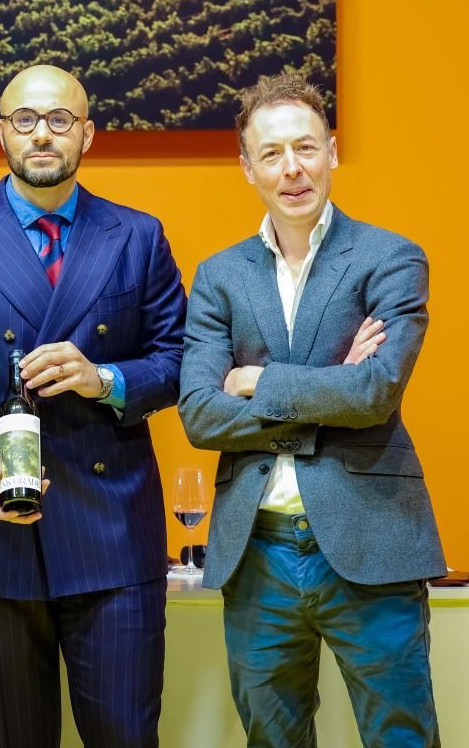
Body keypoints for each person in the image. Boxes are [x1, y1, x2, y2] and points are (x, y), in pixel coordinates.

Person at [0, 64, 187, 748]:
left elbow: (179, 361)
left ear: (88, 133)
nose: (42, 134)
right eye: (25, 120)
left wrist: (102, 378)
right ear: (1, 133)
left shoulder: (138, 236)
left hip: (114, 539)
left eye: (59, 120)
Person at [179, 71, 445, 747]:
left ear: (331, 150)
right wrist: (331, 384)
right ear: (248, 168)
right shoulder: (219, 276)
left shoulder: (391, 258)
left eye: (305, 147)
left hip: (372, 541)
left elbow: (375, 392)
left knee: (402, 738)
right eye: (271, 153)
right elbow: (200, 415)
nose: (291, 168)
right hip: (257, 554)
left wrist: (254, 381)